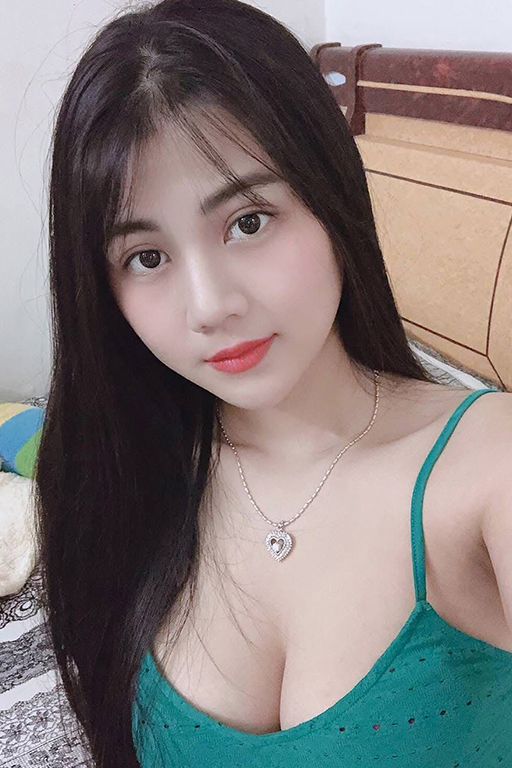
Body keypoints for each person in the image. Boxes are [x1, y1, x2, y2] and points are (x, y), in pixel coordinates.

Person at [33, 0, 512, 766]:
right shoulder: (120, 477)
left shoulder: (489, 467)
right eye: (146, 258)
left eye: (248, 221)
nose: (209, 306)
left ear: (331, 196)